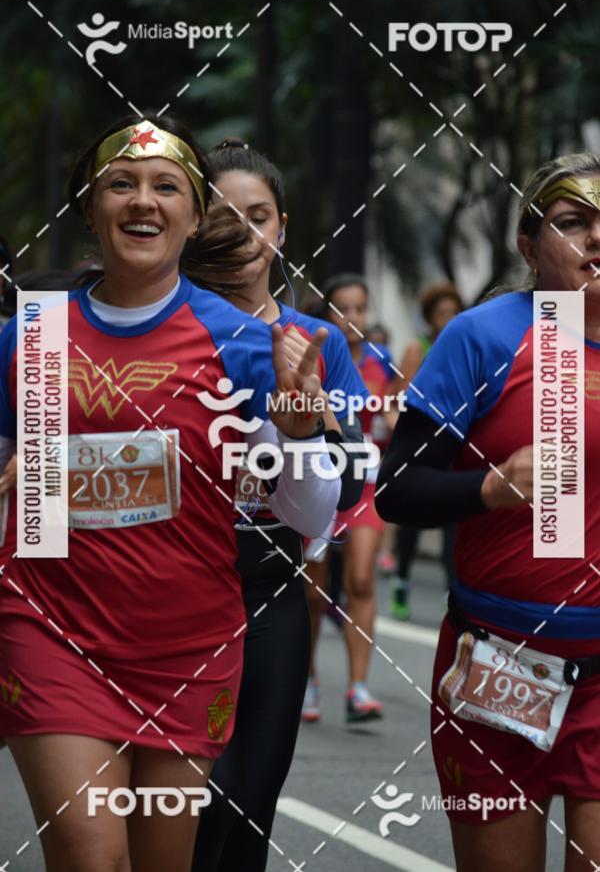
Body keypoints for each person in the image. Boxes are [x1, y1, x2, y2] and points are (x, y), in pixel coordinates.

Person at [0, 113, 339, 872]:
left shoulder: (248, 346)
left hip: (186, 650)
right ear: (90, 209)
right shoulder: (33, 337)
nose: (142, 201)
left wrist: (300, 432)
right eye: (120, 184)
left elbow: (311, 520)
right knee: (90, 858)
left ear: (192, 216)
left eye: (165, 188)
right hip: (53, 631)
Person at [376, 153, 600, 871]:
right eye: (573, 224)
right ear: (529, 248)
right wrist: (491, 487)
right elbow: (397, 488)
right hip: (498, 666)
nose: (596, 239)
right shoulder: (485, 336)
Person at [190, 139, 369, 872]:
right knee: (191, 814)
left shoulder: (317, 340)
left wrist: (314, 427)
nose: (241, 236)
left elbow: (354, 480)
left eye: (257, 217)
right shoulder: (172, 331)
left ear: (283, 228)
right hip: (171, 592)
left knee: (247, 813)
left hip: (270, 593)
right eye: (222, 217)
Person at [303, 275, 396, 725]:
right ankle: (308, 679)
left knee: (360, 579)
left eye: (360, 309)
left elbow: (399, 412)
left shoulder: (383, 362)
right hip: (319, 487)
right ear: (327, 315)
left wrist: (396, 417)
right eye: (343, 309)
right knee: (311, 590)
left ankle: (358, 687)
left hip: (366, 487)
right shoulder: (313, 356)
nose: (354, 318)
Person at [390, 281, 464, 620]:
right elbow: (397, 396)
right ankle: (401, 580)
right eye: (442, 313)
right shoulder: (417, 349)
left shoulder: (465, 346)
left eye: (453, 313)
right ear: (430, 317)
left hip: (453, 442)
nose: (448, 319)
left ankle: (454, 593)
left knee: (452, 518)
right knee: (413, 520)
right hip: (420, 442)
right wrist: (399, 429)